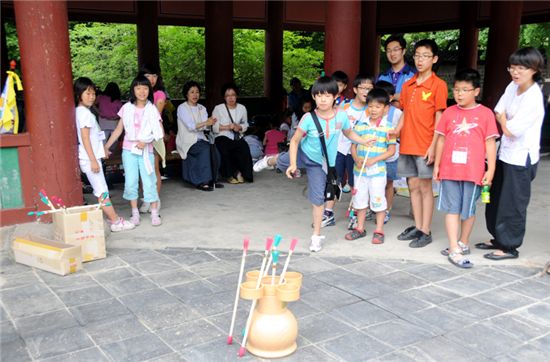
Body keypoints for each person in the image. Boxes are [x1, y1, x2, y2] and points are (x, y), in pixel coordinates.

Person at [253, 76, 375, 252]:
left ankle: (316, 236)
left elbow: (349, 133)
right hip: (303, 154)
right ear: (313, 97)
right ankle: (268, 160)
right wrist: (294, 164)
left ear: (335, 96)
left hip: (320, 164)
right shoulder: (308, 119)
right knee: (281, 160)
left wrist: (364, 141)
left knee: (318, 199)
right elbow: (294, 141)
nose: (323, 99)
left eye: (327, 95)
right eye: (319, 95)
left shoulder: (341, 115)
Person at [479, 47, 545, 260]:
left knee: (513, 203)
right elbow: (498, 111)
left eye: (522, 68)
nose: (515, 73)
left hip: (521, 157)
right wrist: (505, 119)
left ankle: (509, 246)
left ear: (534, 69)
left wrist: (504, 120)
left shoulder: (533, 97)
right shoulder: (512, 86)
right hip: (505, 152)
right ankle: (498, 237)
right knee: (496, 198)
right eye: (513, 68)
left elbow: (510, 130)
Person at [433, 69, 499, 268]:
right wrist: (436, 165)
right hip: (449, 169)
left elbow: (490, 144)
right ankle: (454, 247)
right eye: (456, 89)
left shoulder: (486, 114)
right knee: (452, 208)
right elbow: (441, 140)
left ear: (476, 91)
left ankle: (463, 242)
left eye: (465, 90)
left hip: (473, 171)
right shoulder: (449, 113)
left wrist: (491, 170)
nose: (459, 94)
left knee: (468, 210)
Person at [394, 39, 448, 248]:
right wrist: (396, 131)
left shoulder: (439, 85)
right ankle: (418, 226)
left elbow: (440, 118)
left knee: (426, 187)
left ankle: (426, 230)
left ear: (434, 59)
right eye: (417, 55)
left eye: (425, 56)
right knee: (412, 185)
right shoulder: (408, 85)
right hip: (407, 143)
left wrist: (434, 146)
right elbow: (405, 113)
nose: (420, 60)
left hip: (425, 144)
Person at [74, 77, 135, 232]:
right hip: (90, 159)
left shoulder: (82, 112)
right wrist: (94, 160)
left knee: (102, 190)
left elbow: (93, 137)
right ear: (78, 95)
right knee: (101, 191)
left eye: (93, 93)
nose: (92, 96)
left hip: (91, 156)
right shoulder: (85, 114)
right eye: (87, 93)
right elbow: (85, 138)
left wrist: (102, 150)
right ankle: (115, 221)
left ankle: (112, 218)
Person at [104, 75, 164, 226]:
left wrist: (146, 141)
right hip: (129, 150)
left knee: (149, 180)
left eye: (145, 88)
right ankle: (135, 212)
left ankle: (155, 213)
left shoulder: (152, 109)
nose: (142, 91)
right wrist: (106, 146)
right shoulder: (126, 108)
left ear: (149, 90)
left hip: (146, 150)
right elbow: (118, 130)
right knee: (131, 181)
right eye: (138, 88)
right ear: (133, 90)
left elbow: (159, 131)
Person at [345, 88, 396, 244]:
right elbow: (353, 145)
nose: (374, 110)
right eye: (371, 106)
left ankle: (379, 230)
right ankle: (360, 228)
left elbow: (391, 150)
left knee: (378, 200)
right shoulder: (360, 125)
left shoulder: (389, 128)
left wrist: (375, 160)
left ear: (386, 108)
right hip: (359, 171)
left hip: (378, 172)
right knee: (359, 200)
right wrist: (356, 158)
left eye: (378, 106)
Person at [176, 81, 221, 192]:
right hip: (187, 140)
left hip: (201, 139)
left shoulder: (202, 108)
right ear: (186, 94)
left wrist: (210, 123)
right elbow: (190, 126)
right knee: (205, 149)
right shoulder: (182, 108)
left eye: (197, 92)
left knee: (214, 150)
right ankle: (203, 182)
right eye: (192, 92)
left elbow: (204, 128)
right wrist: (205, 123)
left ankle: (213, 179)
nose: (195, 95)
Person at [337, 75, 373, 196]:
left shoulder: (371, 110)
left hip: (358, 151)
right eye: (363, 88)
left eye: (369, 88)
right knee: (336, 179)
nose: (366, 91)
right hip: (340, 148)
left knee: (355, 181)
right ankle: (329, 209)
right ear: (355, 89)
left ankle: (356, 207)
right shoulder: (344, 105)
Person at [138, 65, 166, 213]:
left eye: (154, 76)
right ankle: (146, 198)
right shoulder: (138, 93)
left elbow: (155, 117)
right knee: (141, 168)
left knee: (154, 168)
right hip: (139, 136)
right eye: (148, 76)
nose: (152, 79)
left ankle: (155, 198)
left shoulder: (159, 94)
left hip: (153, 135)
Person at [212, 82, 254, 184]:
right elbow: (214, 127)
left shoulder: (242, 108)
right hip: (222, 135)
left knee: (244, 148)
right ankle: (229, 174)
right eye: (227, 95)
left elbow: (245, 124)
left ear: (236, 96)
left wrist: (239, 127)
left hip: (236, 136)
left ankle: (244, 173)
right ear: (224, 97)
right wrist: (228, 127)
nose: (230, 98)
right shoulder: (218, 108)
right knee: (225, 147)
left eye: (233, 95)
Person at [374, 80, 403, 224]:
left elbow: (400, 132)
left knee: (388, 184)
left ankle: (386, 209)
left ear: (391, 98)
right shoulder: (371, 110)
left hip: (391, 154)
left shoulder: (397, 113)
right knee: (373, 182)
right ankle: (374, 207)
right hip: (374, 153)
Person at [377, 34, 416, 108]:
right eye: (388, 51)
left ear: (403, 51)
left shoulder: (414, 74)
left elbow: (415, 98)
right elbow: (376, 99)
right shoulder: (382, 77)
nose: (392, 54)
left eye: (395, 50)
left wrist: (391, 96)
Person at [96, 82, 122, 148]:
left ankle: (103, 154)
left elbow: (93, 104)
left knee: (102, 140)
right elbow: (121, 113)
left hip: (103, 122)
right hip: (114, 122)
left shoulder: (100, 97)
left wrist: (98, 112)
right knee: (114, 140)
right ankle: (110, 154)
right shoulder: (117, 101)